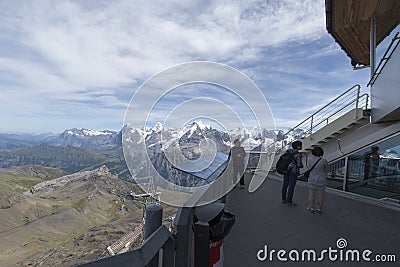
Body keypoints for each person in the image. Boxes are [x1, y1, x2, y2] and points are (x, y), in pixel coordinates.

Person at [307, 146, 329, 214]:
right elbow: (327, 170)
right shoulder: (324, 161)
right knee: (321, 194)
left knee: (311, 194)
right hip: (321, 179)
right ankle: (319, 208)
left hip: (312, 178)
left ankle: (311, 207)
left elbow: (309, 167)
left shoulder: (309, 159)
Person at [281, 140, 303, 206]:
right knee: (291, 187)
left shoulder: (288, 151)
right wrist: (302, 165)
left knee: (285, 185)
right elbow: (299, 165)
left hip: (286, 170)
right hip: (293, 172)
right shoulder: (298, 155)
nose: (302, 146)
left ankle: (283, 199)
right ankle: (289, 201)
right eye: (300, 145)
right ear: (298, 147)